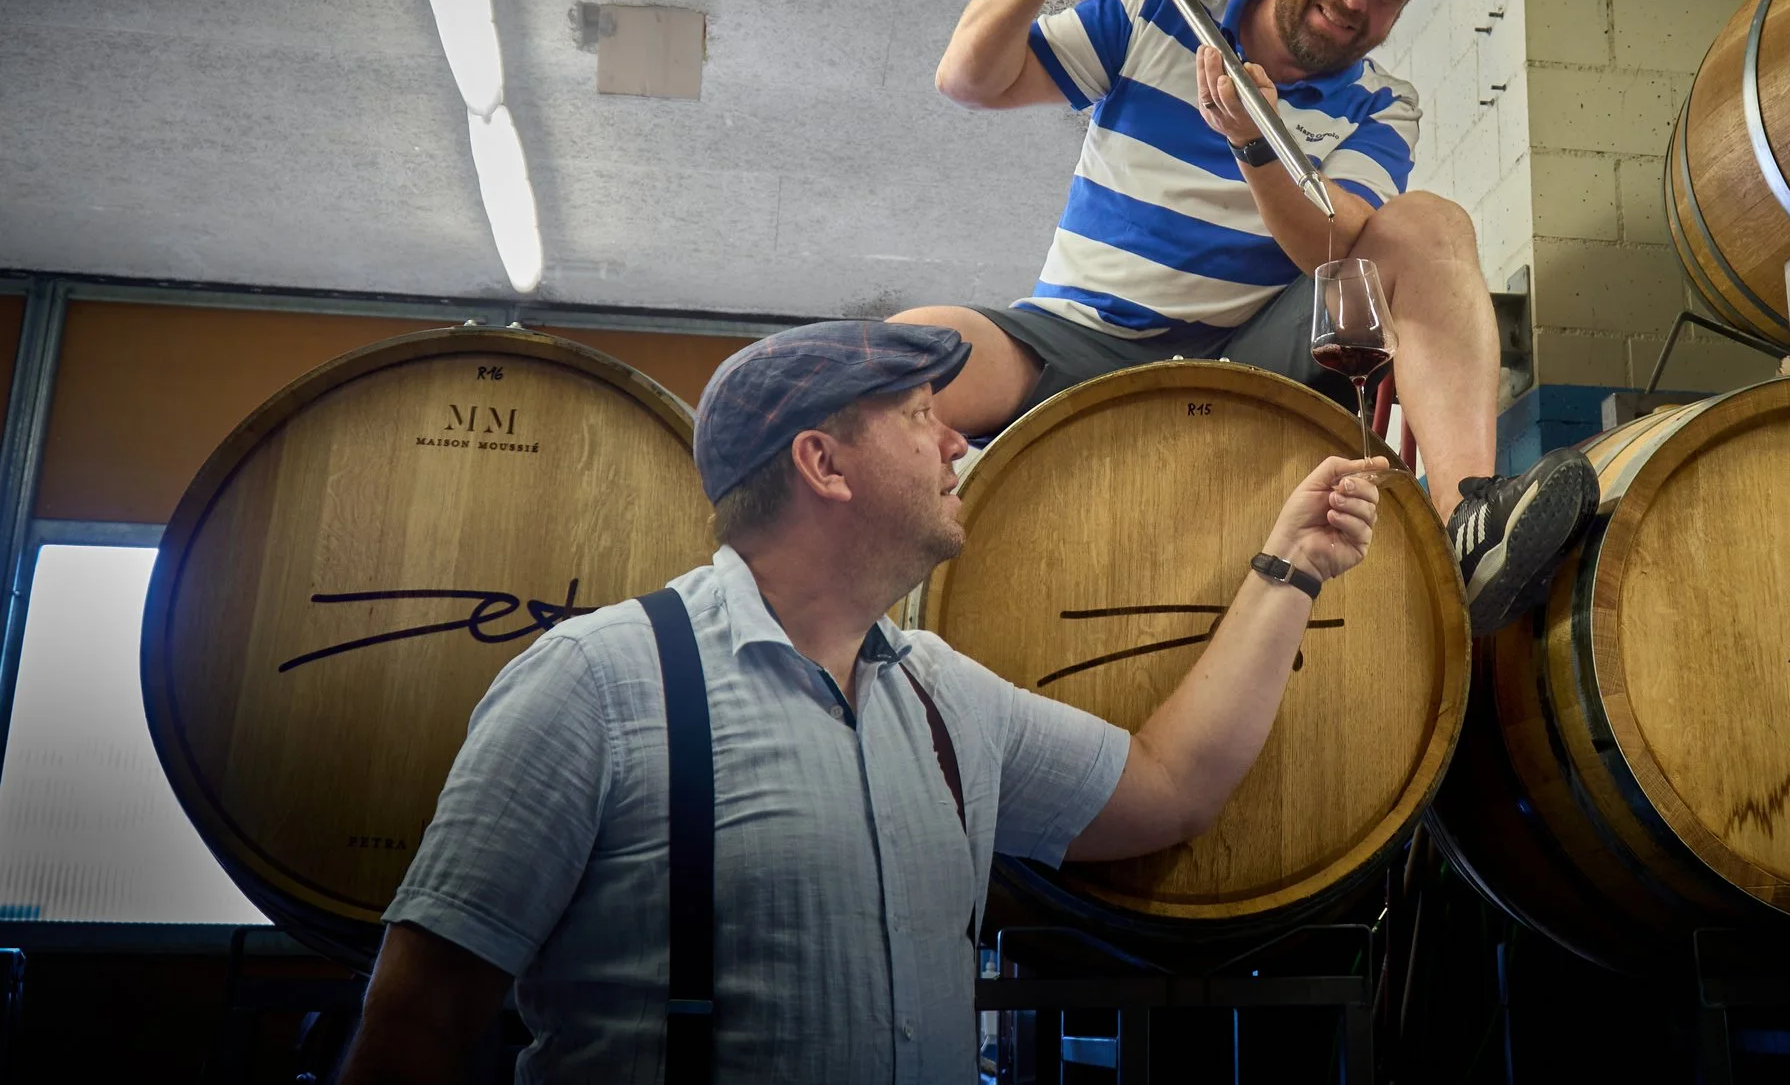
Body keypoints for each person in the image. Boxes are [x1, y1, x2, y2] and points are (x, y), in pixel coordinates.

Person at [337, 320, 1389, 1084]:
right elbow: (421, 1014)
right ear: (821, 461)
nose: (957, 445)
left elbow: (1170, 787)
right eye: (923, 416)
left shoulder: (942, 692)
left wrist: (1286, 569)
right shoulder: (598, 679)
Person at [895, 0, 1594, 632]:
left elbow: (1333, 249)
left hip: (1249, 356)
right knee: (904, 353)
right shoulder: (1158, 11)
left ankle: (1469, 519)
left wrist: (1255, 146)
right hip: (1078, 338)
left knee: (1430, 223)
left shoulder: (1384, 103)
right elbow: (969, 81)